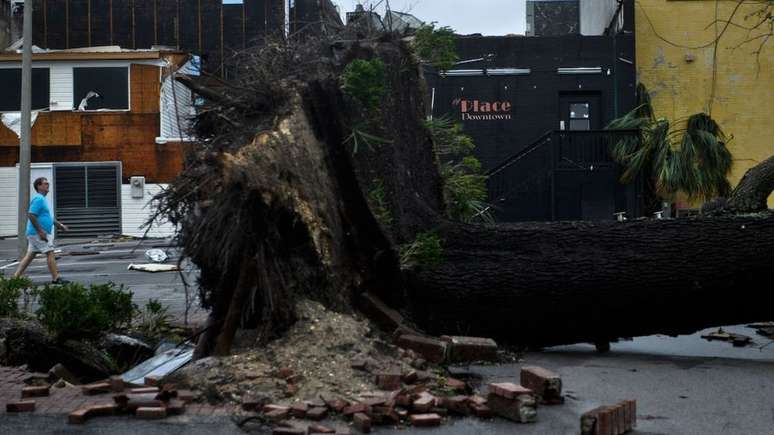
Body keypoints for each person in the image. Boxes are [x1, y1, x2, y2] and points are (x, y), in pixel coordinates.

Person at [13, 177, 69, 284]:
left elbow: (48, 218)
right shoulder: (38, 199)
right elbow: (31, 215)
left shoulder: (42, 199)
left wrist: (61, 226)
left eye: (48, 183)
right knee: (50, 253)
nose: (48, 185)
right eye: (45, 183)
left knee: (30, 256)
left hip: (36, 233)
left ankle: (15, 278)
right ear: (39, 186)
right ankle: (56, 278)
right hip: (37, 233)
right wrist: (40, 231)